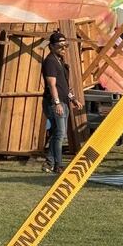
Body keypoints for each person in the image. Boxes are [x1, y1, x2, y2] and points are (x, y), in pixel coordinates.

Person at [41, 31, 83, 173]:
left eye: (65, 46)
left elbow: (64, 85)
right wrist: (57, 103)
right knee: (60, 134)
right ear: (52, 46)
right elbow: (52, 85)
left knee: (56, 134)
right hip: (55, 103)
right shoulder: (50, 62)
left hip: (64, 101)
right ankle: (58, 165)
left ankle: (49, 163)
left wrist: (73, 99)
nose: (63, 49)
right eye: (60, 46)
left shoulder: (61, 62)